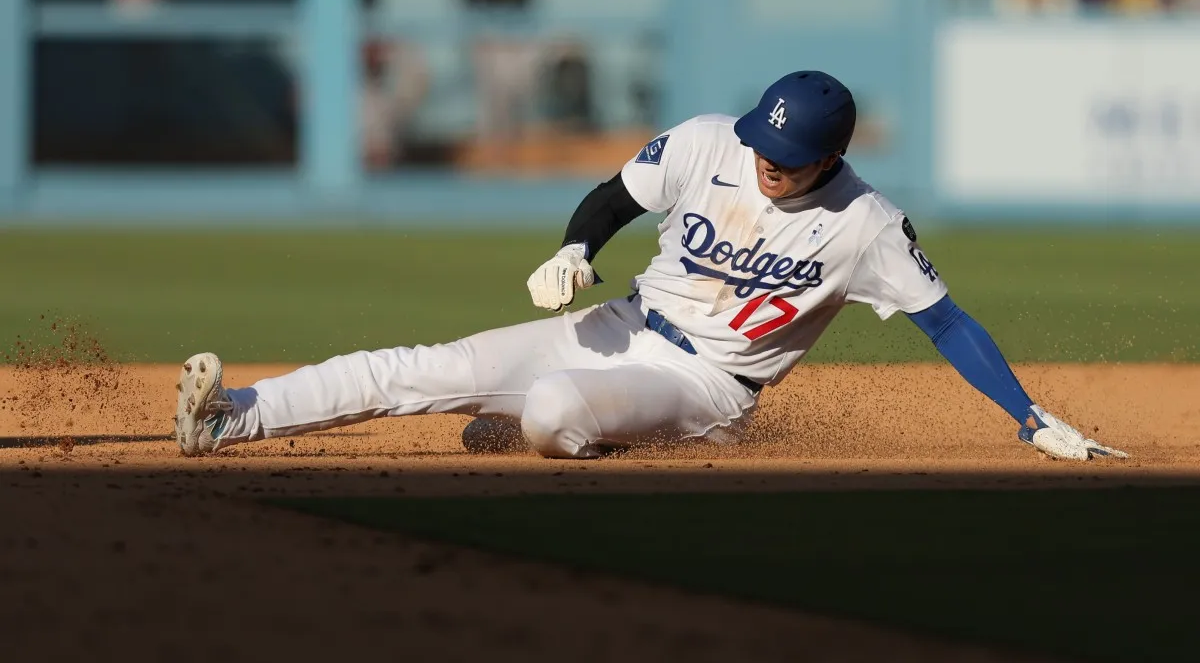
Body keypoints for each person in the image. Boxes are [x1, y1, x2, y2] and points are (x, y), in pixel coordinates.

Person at [173, 71, 1127, 462]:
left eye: (786, 157)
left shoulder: (866, 224)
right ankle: (233, 418)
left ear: (831, 159)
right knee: (422, 367)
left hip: (710, 384)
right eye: (761, 141)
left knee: (548, 413)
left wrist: (1030, 419)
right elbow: (613, 198)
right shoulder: (712, 141)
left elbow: (946, 322)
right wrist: (575, 251)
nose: (764, 159)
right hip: (623, 323)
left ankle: (593, 436)